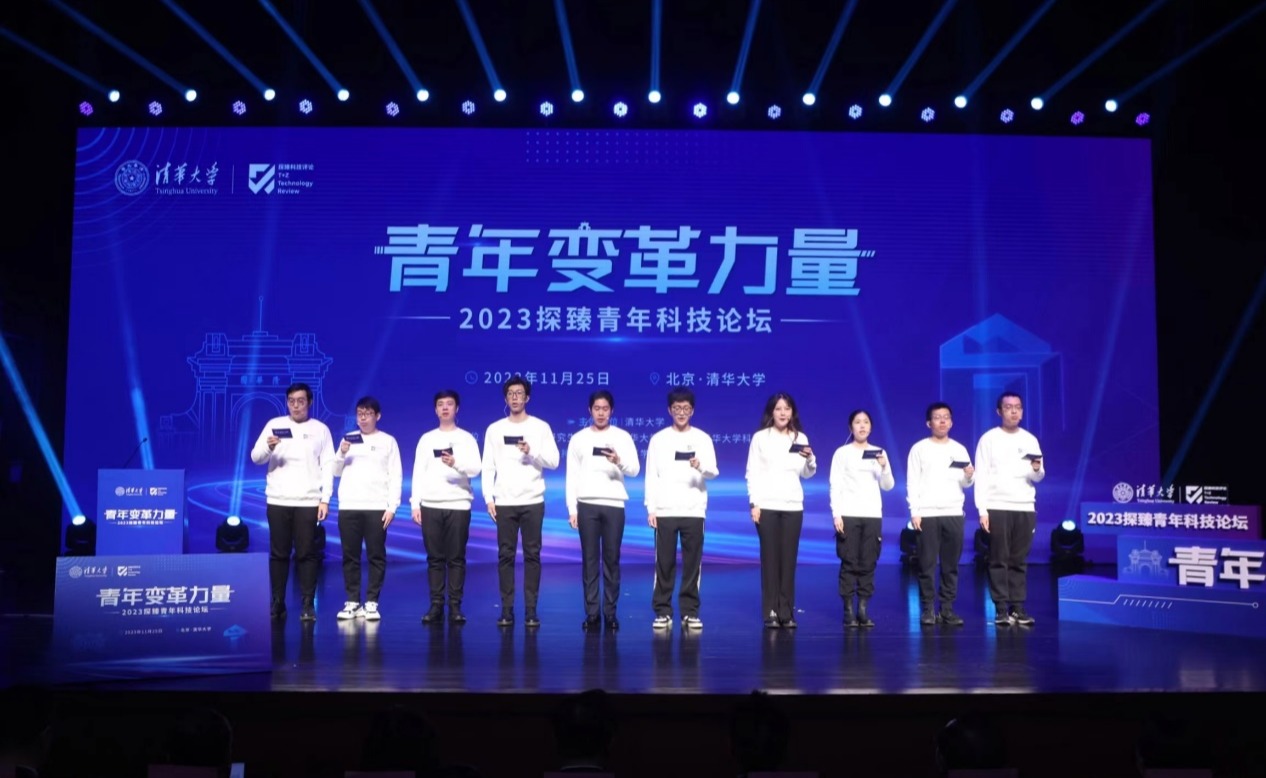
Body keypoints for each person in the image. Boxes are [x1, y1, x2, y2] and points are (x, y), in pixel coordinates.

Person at [250, 382, 335, 621]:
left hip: (308, 501)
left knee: (307, 554)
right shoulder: (274, 425)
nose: (296, 406)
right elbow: (256, 457)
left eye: (300, 401)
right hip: (278, 499)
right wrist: (268, 447)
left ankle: (307, 604)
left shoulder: (321, 429)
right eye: (291, 401)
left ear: (309, 402)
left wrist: (325, 499)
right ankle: (278, 602)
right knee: (279, 553)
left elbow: (328, 466)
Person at [481, 375, 560, 628]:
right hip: (504, 501)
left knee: (532, 556)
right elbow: (487, 466)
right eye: (511, 394)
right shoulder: (495, 429)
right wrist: (489, 498)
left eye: (519, 393)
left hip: (532, 500)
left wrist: (531, 451)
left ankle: (531, 610)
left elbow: (554, 461)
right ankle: (506, 610)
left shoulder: (540, 427)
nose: (515, 398)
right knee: (505, 556)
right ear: (506, 398)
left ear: (527, 397)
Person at [565, 390, 640, 632]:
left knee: (611, 559)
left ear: (612, 411)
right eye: (596, 408)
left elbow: (635, 470)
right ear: (590, 410)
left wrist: (618, 461)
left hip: (614, 504)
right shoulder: (578, 438)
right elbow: (572, 476)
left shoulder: (622, 437)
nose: (601, 413)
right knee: (589, 560)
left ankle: (610, 612)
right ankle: (592, 613)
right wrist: (572, 508)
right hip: (586, 504)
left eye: (605, 409)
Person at [645, 386, 718, 631]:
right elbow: (651, 476)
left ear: (692, 410)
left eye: (686, 408)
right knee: (663, 564)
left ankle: (690, 612)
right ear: (669, 410)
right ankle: (662, 611)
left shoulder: (703, 438)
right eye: (677, 408)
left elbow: (713, 472)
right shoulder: (658, 439)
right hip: (665, 510)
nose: (681, 412)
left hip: (694, 509)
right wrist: (651, 508)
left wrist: (700, 466)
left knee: (692, 565)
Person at [745, 392, 816, 629]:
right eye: (778, 409)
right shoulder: (760, 438)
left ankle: (787, 611)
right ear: (771, 412)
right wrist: (754, 503)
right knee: (770, 559)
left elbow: (807, 473)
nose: (783, 413)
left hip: (793, 505)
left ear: (792, 412)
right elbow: (752, 472)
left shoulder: (800, 438)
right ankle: (771, 611)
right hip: (766, 506)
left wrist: (810, 459)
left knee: (788, 560)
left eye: (787, 409)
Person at [974, 391, 1045, 627]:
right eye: (1008, 407)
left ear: (1022, 411)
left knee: (1019, 559)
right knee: (998, 559)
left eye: (1018, 407)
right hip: (997, 506)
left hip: (1024, 506)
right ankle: (1001, 608)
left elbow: (1038, 476)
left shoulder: (1030, 440)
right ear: (999, 411)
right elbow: (981, 476)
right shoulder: (988, 439)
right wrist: (982, 510)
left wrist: (1036, 469)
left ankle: (1018, 607)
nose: (1014, 411)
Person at [411, 389, 482, 625]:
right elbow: (418, 472)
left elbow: (476, 469)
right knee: (434, 558)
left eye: (449, 404)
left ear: (456, 408)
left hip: (458, 504)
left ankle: (455, 606)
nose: (444, 408)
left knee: (456, 558)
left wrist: (456, 463)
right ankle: (436, 605)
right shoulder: (427, 439)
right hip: (430, 504)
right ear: (435, 409)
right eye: (440, 404)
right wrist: (415, 503)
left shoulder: (466, 438)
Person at [331, 396, 402, 622]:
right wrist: (341, 453)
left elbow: (396, 475)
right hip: (349, 506)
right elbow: (335, 471)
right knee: (350, 555)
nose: (363, 418)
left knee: (376, 555)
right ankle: (352, 602)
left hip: (376, 507)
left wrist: (392, 506)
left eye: (368, 413)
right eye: (360, 413)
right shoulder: (348, 439)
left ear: (377, 416)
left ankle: (371, 602)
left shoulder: (388, 441)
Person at [906, 402, 974, 627]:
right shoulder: (919, 449)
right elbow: (912, 482)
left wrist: (969, 476)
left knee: (950, 565)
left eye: (946, 417)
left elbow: (967, 483)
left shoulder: (959, 449)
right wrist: (915, 511)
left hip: (953, 512)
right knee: (926, 564)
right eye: (937, 417)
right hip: (927, 513)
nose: (942, 421)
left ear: (951, 422)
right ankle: (928, 609)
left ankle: (947, 609)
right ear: (929, 423)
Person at [830, 409, 895, 628]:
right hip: (848, 514)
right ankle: (848, 609)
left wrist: (884, 466)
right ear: (851, 427)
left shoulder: (879, 452)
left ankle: (863, 609)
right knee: (849, 562)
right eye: (857, 422)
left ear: (871, 427)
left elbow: (888, 486)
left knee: (868, 562)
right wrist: (837, 514)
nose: (862, 426)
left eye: (866, 422)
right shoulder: (842, 453)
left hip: (872, 515)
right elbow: (835, 485)